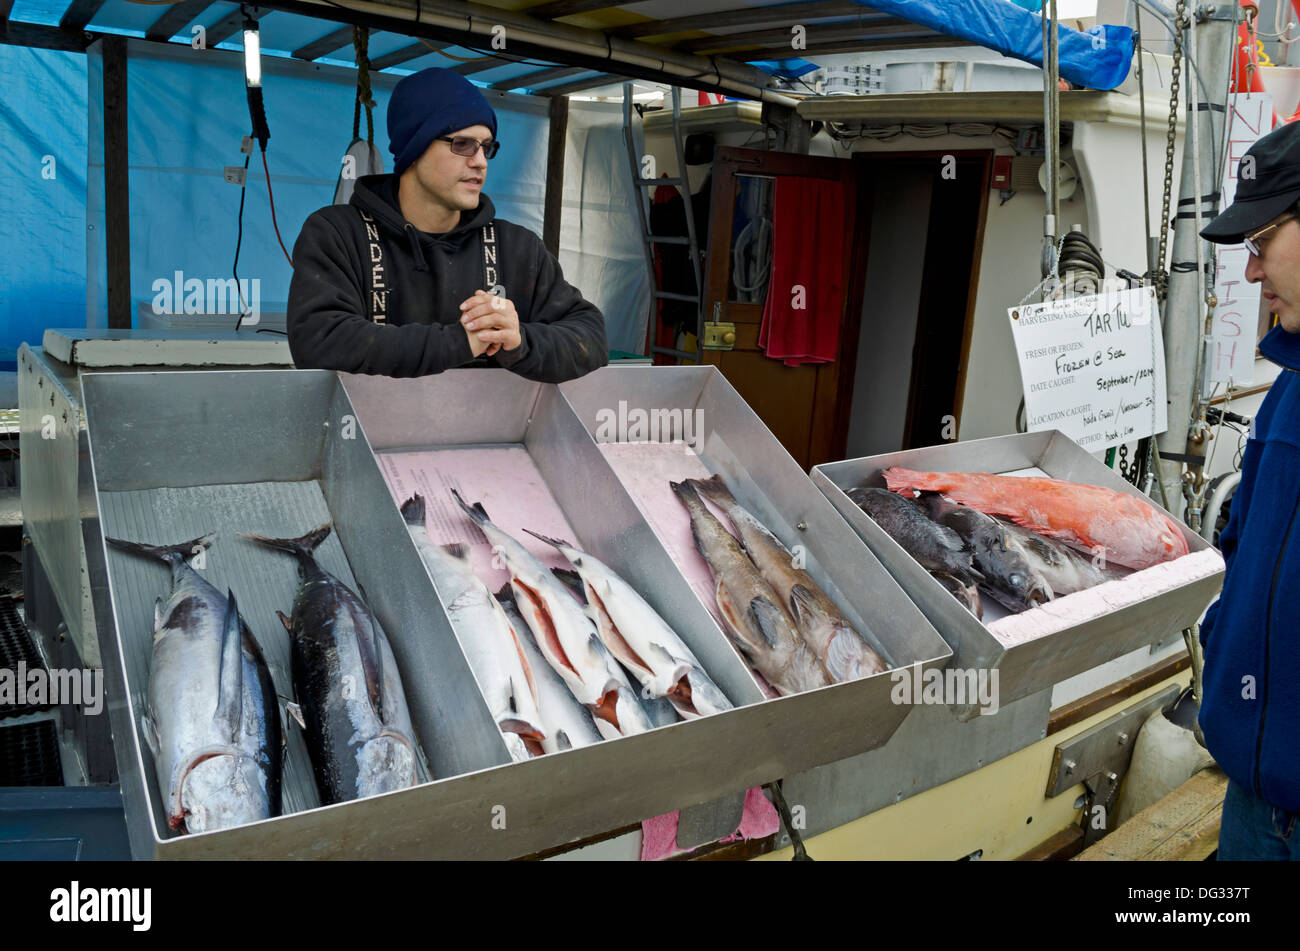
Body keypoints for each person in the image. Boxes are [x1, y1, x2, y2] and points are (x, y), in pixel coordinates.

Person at [287, 68, 607, 382]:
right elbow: (320, 340)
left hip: (492, 434)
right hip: (363, 433)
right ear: (415, 148)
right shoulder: (338, 234)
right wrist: (462, 341)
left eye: (486, 146)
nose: (480, 161)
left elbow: (590, 336)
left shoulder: (517, 247)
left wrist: (520, 341)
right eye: (463, 144)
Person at [1198, 118, 1300, 860]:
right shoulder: (1286, 390)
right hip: (1253, 800)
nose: (1251, 272)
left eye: (1260, 245)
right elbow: (1241, 550)